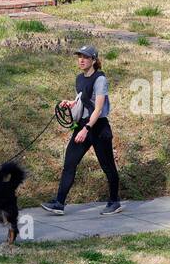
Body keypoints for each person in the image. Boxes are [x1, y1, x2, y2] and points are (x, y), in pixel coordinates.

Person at [41, 45, 122, 216]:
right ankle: (59, 203)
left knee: (107, 166)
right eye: (79, 56)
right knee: (69, 163)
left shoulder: (100, 79)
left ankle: (114, 201)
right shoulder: (79, 79)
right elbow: (83, 100)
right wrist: (71, 103)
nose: (81, 60)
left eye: (85, 57)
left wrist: (86, 129)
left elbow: (98, 109)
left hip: (98, 127)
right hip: (83, 126)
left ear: (94, 60)